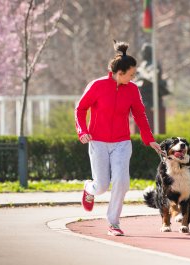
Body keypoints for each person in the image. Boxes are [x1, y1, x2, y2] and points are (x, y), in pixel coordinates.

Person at [74, 40, 161, 236]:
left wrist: (149, 139)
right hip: (98, 141)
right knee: (102, 185)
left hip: (122, 142)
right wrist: (83, 131)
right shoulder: (97, 86)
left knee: (121, 181)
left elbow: (140, 114)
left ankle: (113, 222)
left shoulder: (132, 90)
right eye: (131, 74)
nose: (134, 77)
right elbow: (80, 109)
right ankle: (89, 188)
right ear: (120, 73)